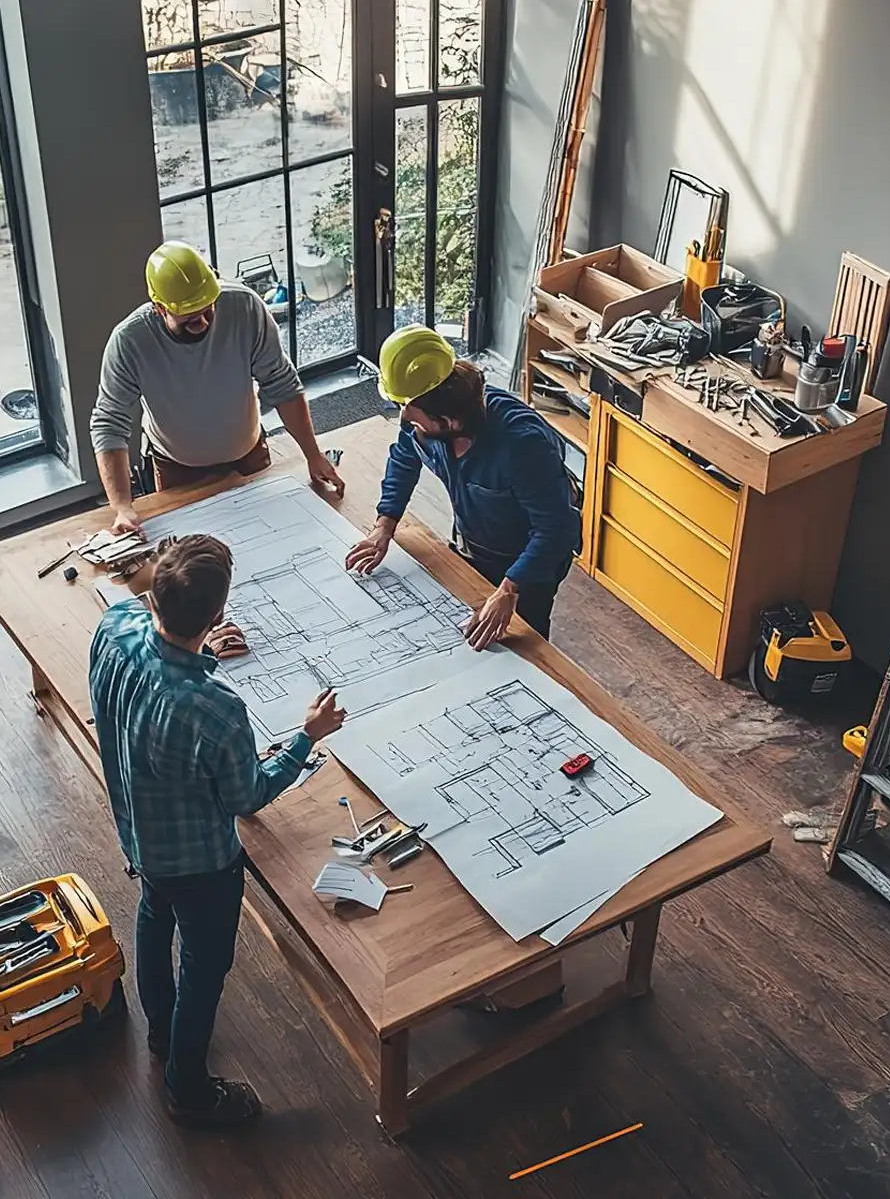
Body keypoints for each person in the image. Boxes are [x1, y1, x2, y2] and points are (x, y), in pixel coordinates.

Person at [88, 534, 346, 1129]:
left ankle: (160, 1029)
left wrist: (196, 638)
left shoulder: (115, 629)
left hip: (140, 832)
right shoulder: (214, 708)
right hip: (202, 864)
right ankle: (187, 1089)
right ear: (217, 615)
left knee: (154, 914)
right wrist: (308, 734)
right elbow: (248, 795)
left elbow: (130, 614)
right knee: (205, 966)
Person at [345, 326, 580, 646]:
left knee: (523, 645)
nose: (403, 419)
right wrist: (384, 526)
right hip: (473, 544)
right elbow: (404, 458)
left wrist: (510, 588)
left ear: (450, 420)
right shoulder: (426, 427)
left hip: (531, 563)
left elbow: (557, 530)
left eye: (409, 411)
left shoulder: (522, 446)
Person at [90, 241, 344, 534]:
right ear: (160, 308)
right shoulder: (129, 341)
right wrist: (122, 507)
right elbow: (109, 423)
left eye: (207, 310)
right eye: (189, 318)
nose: (202, 323)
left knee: (269, 537)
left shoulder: (245, 308)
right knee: (194, 556)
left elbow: (282, 384)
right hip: (177, 469)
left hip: (249, 456)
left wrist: (313, 454)